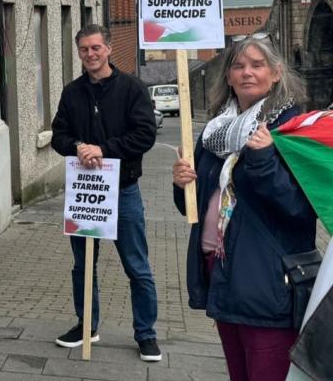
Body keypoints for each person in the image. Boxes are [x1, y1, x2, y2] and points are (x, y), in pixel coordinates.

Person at [172, 35, 316, 380]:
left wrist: (263, 159)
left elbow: (300, 210)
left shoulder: (293, 130)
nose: (246, 72)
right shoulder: (215, 132)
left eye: (257, 65)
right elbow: (193, 207)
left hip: (267, 279)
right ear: (228, 76)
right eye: (238, 66)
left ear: (276, 73)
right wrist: (182, 184)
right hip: (221, 272)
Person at [51, 24, 161, 361]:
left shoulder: (132, 88)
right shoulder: (72, 92)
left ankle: (146, 334)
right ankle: (87, 326)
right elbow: (58, 136)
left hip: (123, 190)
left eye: (96, 47)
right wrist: (78, 146)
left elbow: (145, 135)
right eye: (84, 49)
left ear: (109, 48)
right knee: (82, 266)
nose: (90, 54)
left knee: (137, 266)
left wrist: (104, 149)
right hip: (85, 191)